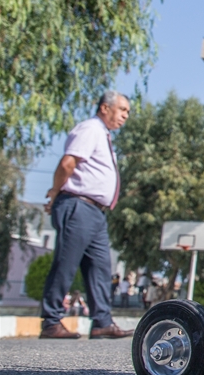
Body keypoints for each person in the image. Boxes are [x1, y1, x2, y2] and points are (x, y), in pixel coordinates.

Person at [39, 90, 134, 339]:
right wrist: (55, 193)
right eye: (122, 109)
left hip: (95, 212)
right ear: (105, 108)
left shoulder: (104, 136)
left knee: (100, 268)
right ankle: (51, 321)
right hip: (78, 205)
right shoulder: (90, 129)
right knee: (66, 264)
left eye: (127, 112)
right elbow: (67, 163)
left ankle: (102, 321)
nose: (125, 115)